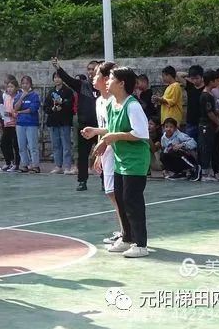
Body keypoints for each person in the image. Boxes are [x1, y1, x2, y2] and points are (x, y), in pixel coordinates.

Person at [83, 67, 151, 258]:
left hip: (135, 161)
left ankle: (141, 244)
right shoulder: (113, 104)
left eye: (111, 78)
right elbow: (111, 129)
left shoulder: (132, 105)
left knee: (133, 201)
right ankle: (127, 238)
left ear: (122, 83)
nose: (107, 81)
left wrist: (111, 137)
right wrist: (98, 133)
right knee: (121, 199)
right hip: (121, 160)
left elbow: (140, 133)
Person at [53, 58, 99, 191]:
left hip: (100, 127)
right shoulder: (82, 85)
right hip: (85, 126)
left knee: (104, 155)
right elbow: (68, 79)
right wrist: (58, 68)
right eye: (89, 69)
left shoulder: (105, 87)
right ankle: (82, 181)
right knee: (83, 155)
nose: (91, 71)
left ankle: (105, 181)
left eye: (93, 69)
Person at [89, 61, 122, 245]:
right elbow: (103, 128)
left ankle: (127, 231)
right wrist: (99, 153)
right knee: (111, 192)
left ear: (105, 79)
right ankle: (124, 230)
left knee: (116, 192)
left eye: (96, 75)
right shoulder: (99, 101)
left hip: (115, 149)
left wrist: (98, 137)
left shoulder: (114, 101)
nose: (93, 78)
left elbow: (112, 128)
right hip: (106, 149)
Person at [44, 72, 74, 174]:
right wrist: (52, 108)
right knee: (56, 145)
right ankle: (58, 166)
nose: (57, 79)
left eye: (59, 77)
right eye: (55, 77)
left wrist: (63, 104)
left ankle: (67, 166)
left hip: (64, 121)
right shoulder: (50, 92)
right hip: (53, 121)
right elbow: (45, 107)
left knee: (66, 145)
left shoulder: (68, 91)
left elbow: (70, 104)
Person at [197, 70, 219, 182]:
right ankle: (205, 173)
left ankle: (208, 171)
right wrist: (218, 122)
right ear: (211, 81)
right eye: (216, 80)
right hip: (206, 125)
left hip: (210, 125)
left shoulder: (210, 94)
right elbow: (209, 112)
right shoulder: (205, 95)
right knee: (205, 148)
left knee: (210, 147)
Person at [14, 75, 41, 173]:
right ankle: (24, 164)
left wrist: (21, 112)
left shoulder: (34, 95)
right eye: (23, 83)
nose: (25, 85)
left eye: (27, 83)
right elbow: (16, 108)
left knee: (32, 146)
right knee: (22, 146)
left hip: (31, 123)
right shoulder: (18, 95)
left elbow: (32, 109)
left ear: (30, 84)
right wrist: (22, 97)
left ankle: (35, 165)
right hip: (20, 123)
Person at [0, 79, 22, 172]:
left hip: (15, 124)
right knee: (4, 144)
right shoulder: (6, 98)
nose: (9, 89)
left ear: (16, 88)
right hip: (7, 124)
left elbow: (18, 111)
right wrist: (3, 117)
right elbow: (4, 110)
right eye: (8, 87)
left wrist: (12, 115)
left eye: (12, 87)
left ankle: (17, 164)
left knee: (16, 145)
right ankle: (9, 162)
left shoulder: (18, 97)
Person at [179, 65, 205, 139]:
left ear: (202, 77)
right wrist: (189, 74)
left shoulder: (206, 87)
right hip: (191, 121)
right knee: (189, 144)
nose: (195, 81)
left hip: (202, 121)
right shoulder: (190, 85)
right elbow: (178, 75)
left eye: (197, 78)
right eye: (192, 79)